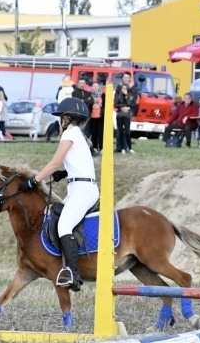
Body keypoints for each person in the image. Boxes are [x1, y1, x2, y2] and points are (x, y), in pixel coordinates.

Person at [17, 97, 98, 303]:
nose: (59, 120)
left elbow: (54, 163)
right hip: (79, 186)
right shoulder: (78, 134)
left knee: (64, 226)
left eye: (61, 117)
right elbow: (76, 163)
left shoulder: (70, 133)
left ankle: (73, 274)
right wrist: (65, 174)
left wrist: (33, 181)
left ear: (67, 119)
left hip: (83, 190)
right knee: (56, 216)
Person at [114, 83, 137, 153]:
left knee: (127, 132)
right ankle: (122, 148)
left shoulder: (130, 96)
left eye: (125, 88)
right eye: (123, 88)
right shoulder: (118, 96)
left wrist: (127, 95)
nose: (124, 90)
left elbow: (131, 104)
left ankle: (130, 148)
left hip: (127, 115)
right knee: (120, 132)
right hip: (120, 115)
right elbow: (116, 104)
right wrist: (122, 107)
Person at [88, 82, 105, 151]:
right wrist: (91, 105)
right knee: (93, 132)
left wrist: (100, 106)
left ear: (99, 87)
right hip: (92, 117)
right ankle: (94, 147)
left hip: (100, 116)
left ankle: (101, 147)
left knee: (100, 133)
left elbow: (105, 105)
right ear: (92, 87)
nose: (95, 88)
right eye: (94, 86)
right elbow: (87, 103)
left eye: (96, 86)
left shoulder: (103, 95)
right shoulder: (89, 95)